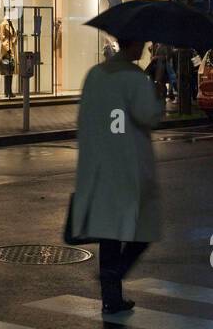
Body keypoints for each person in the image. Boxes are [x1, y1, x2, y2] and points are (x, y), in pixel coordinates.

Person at [69, 34, 163, 313]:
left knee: (109, 231)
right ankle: (115, 275)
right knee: (144, 226)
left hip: (100, 163)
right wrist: (157, 87)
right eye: (143, 44)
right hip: (130, 164)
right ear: (133, 44)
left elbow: (84, 117)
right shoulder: (135, 78)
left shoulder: (95, 74)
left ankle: (111, 295)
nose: (145, 48)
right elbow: (150, 117)